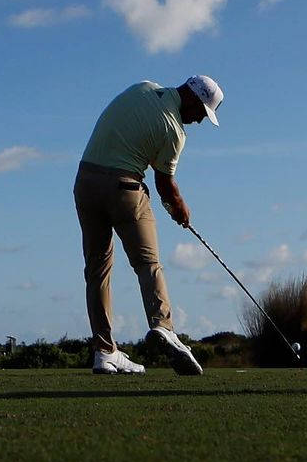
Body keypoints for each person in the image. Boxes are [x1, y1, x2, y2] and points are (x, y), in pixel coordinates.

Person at [73, 74, 224, 375]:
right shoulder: (175, 131)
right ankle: (163, 326)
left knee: (97, 270)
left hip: (85, 183)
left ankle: (104, 352)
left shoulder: (143, 87)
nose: (198, 121)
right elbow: (165, 184)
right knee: (148, 264)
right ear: (193, 98)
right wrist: (179, 209)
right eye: (201, 113)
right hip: (124, 188)